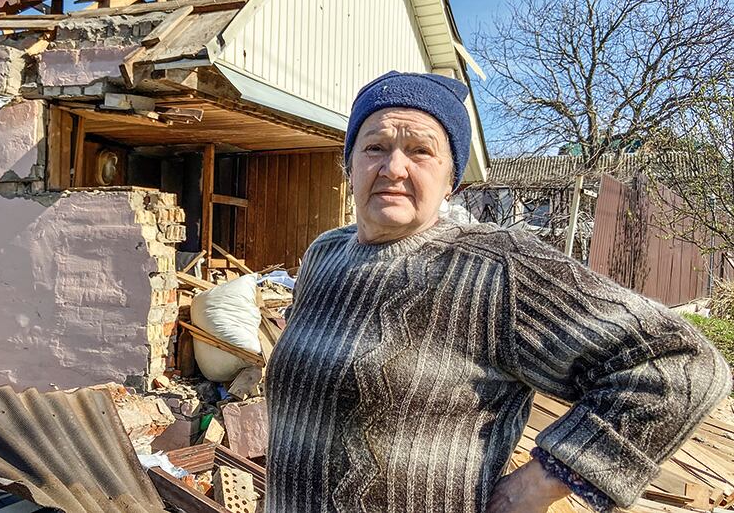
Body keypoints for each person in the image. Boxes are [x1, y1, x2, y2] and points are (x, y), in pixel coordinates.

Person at [265, 71, 731, 513]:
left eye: (421, 151)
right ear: (349, 164)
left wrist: (541, 482)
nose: (394, 167)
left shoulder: (497, 269)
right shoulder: (326, 253)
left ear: (453, 180)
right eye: (375, 147)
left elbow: (679, 365)